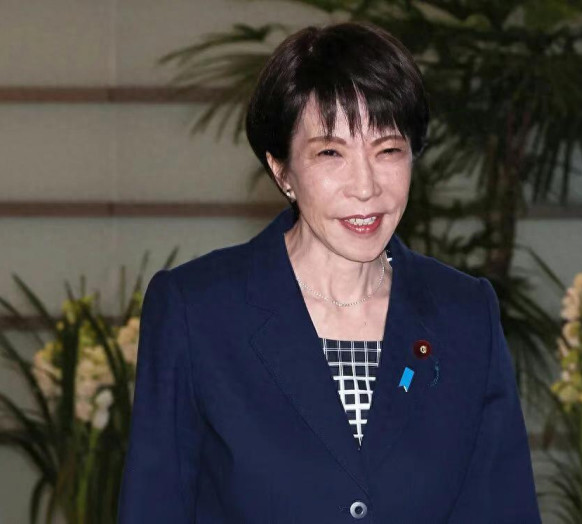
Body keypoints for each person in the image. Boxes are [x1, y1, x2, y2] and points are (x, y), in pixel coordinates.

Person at [117, 21, 541, 523]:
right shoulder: (198, 311)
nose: (365, 187)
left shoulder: (463, 314)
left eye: (388, 151)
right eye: (330, 153)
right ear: (282, 170)